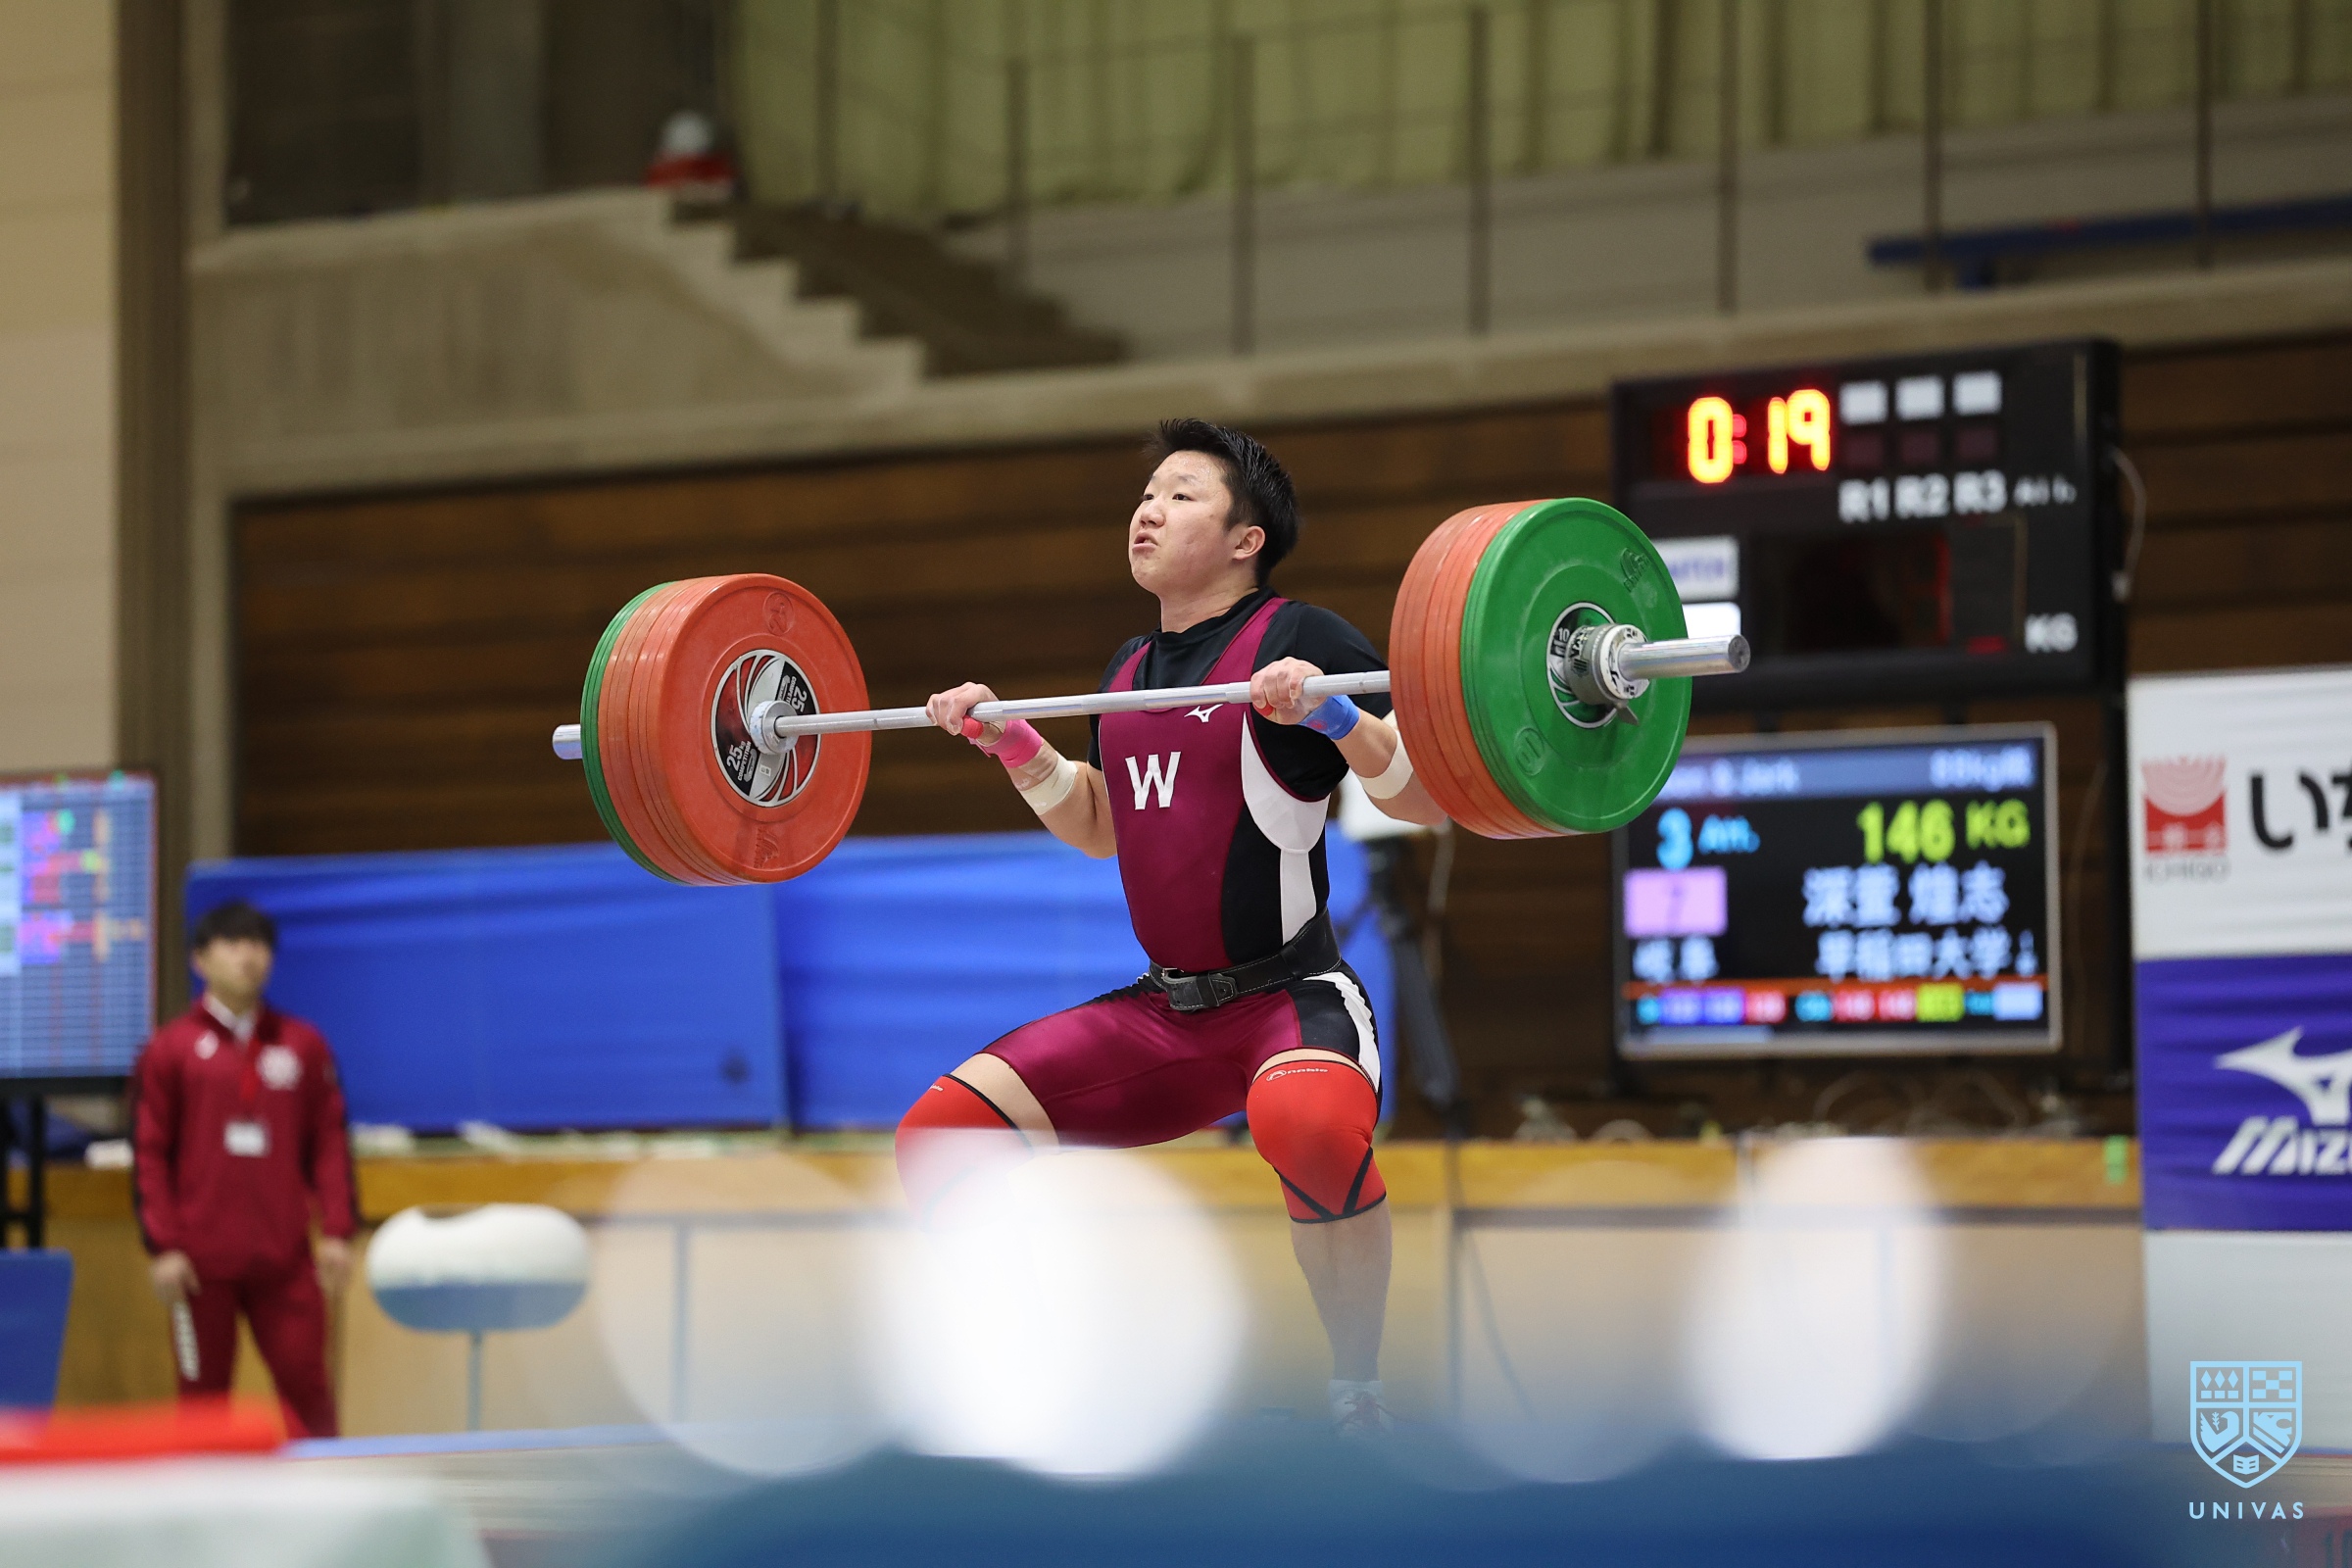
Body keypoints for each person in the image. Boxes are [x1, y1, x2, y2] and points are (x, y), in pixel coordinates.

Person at [900, 418, 1446, 1437]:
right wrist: (1011, 741)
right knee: (944, 1136)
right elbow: (1101, 824)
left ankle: (1358, 1394)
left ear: (1246, 539)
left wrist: (1332, 716)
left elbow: (1422, 797)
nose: (1148, 510)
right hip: (1166, 1015)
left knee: (1308, 1127)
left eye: (1182, 494)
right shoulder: (1126, 668)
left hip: (1291, 1003)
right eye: (1147, 493)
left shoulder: (1300, 638)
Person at [129, 900, 357, 1438]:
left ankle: (322, 1489)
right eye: (232, 943)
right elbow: (149, 1151)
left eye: (258, 944)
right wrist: (164, 1246)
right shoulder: (170, 1049)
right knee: (202, 1405)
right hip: (198, 1265)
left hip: (285, 1260)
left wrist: (337, 1230)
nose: (248, 956)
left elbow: (329, 1141)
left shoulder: (302, 1045)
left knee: (309, 1392)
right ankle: (202, 1495)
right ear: (200, 959)